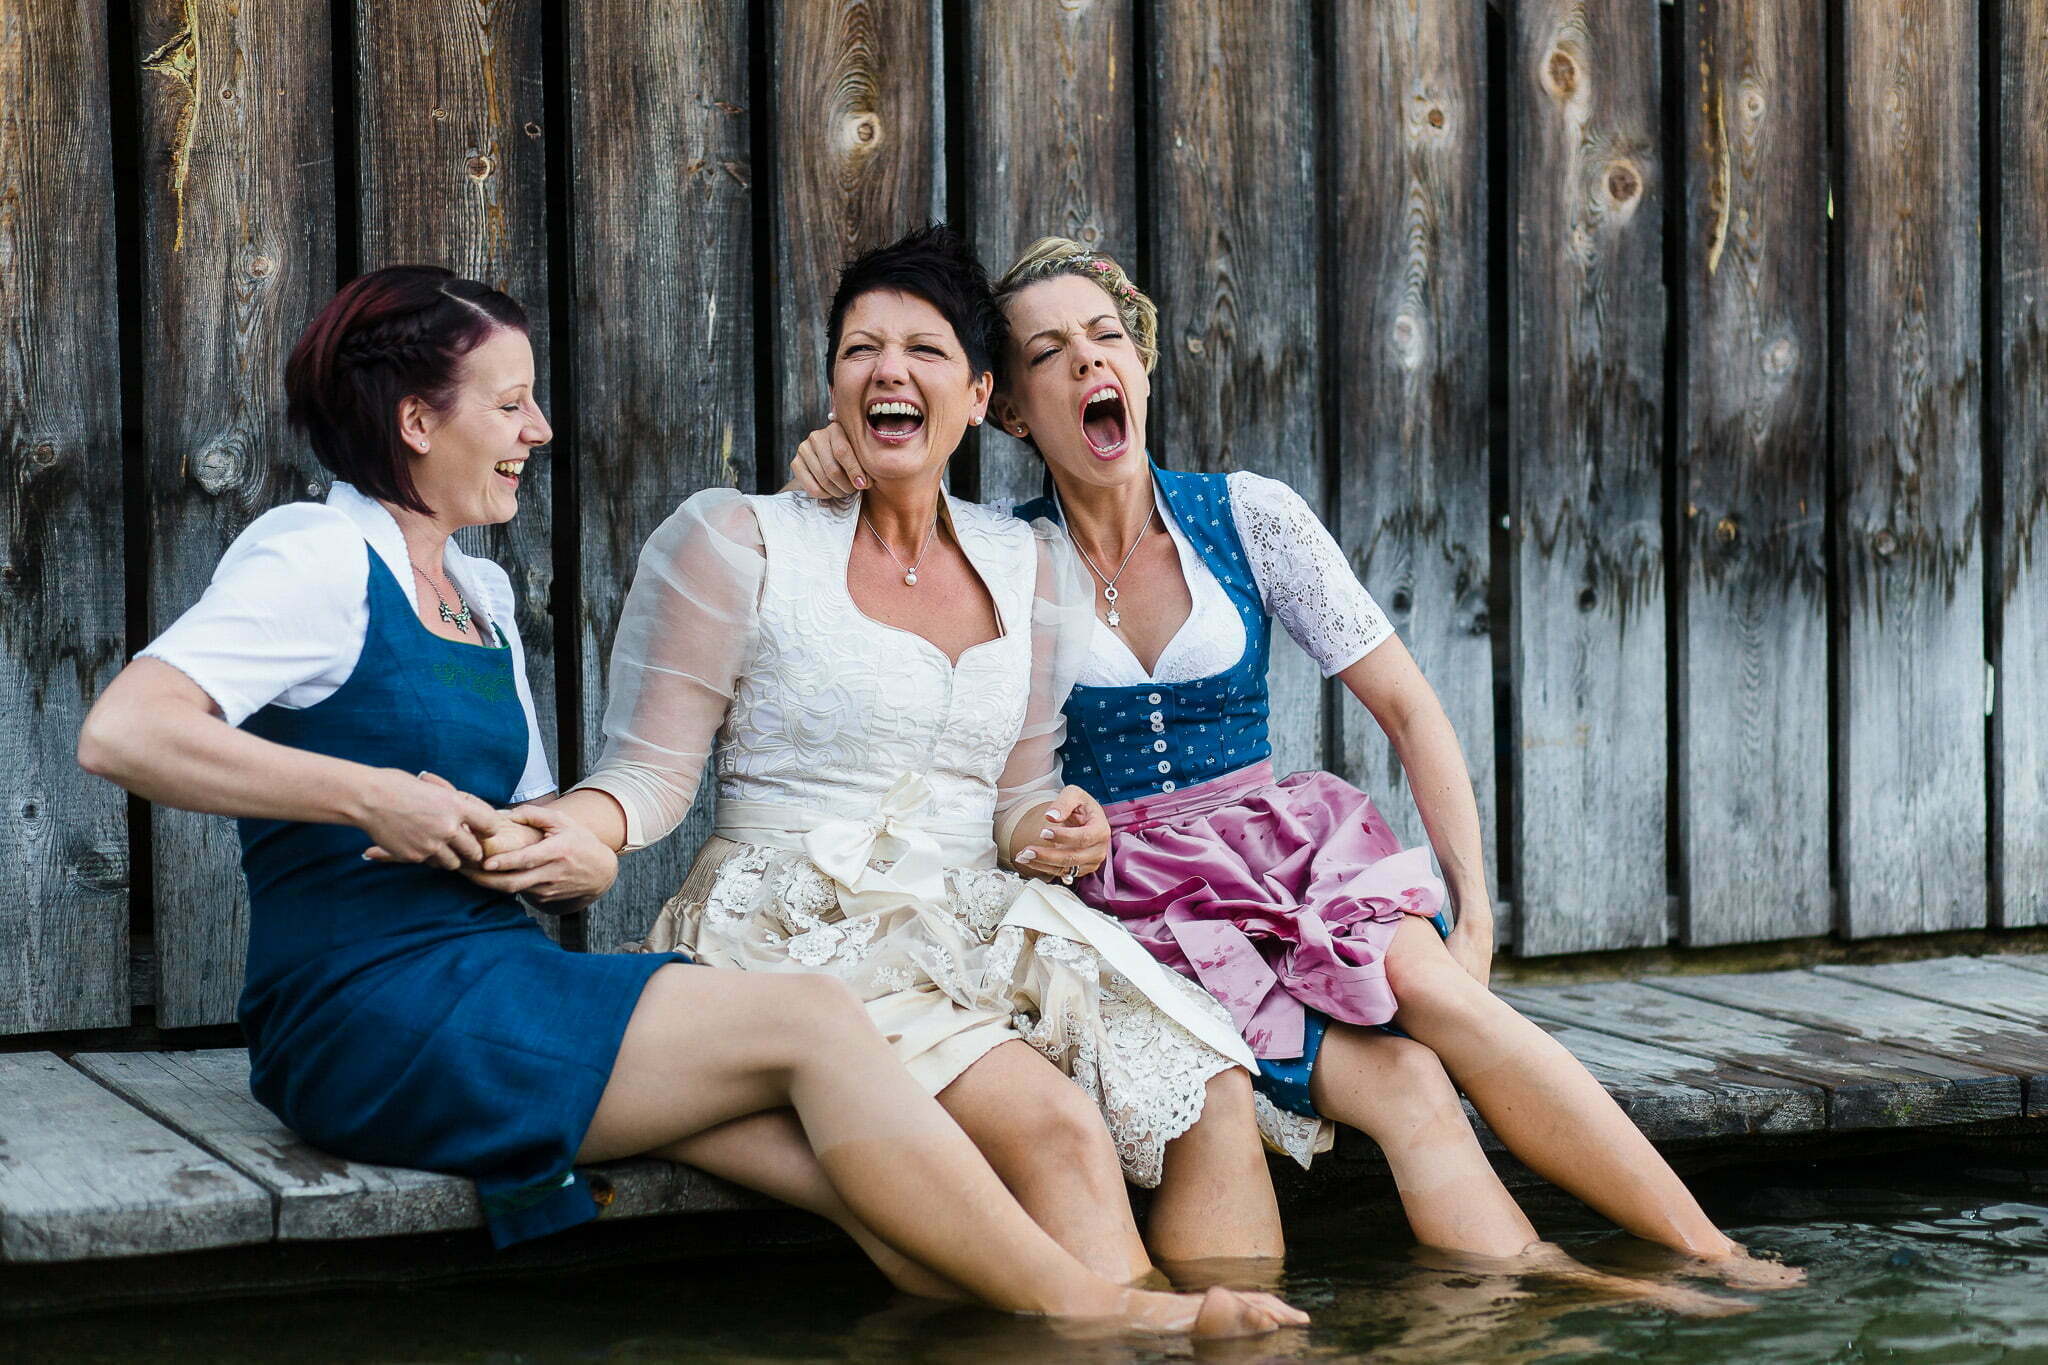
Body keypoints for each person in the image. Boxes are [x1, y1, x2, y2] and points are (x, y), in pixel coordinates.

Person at [74, 264, 1302, 1336]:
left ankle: (1059, 1330)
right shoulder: (311, 553)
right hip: (363, 1015)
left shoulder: (480, 597)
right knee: (817, 1024)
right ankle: (1106, 1313)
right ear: (412, 418)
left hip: (500, 975)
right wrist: (371, 799)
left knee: (873, 1198)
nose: (538, 429)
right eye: (509, 404)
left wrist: (570, 853)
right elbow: (126, 733)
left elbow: (540, 819)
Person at [787, 238, 1803, 1292]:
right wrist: (831, 465)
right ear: (1007, 410)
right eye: (1048, 355)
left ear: (1138, 366)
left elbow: (1409, 710)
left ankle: (1709, 1255)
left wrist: (1477, 917)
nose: (1088, 364)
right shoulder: (994, 551)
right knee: (1407, 1084)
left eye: (1104, 339)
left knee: (1447, 1005)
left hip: (1289, 856)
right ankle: (1567, 1285)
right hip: (1135, 903)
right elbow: (878, 548)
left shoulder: (1248, 516)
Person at [489, 226, 1309, 1290]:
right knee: (1056, 1129)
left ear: (976, 396)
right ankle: (1138, 1337)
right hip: (794, 919)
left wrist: (1057, 827)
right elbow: (645, 779)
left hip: (982, 917)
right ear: (833, 386)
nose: (887, 370)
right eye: (858, 350)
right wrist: (576, 824)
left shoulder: (1031, 562)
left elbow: (1017, 796)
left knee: (1210, 1088)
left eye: (923, 351)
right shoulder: (739, 542)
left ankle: (1250, 1342)